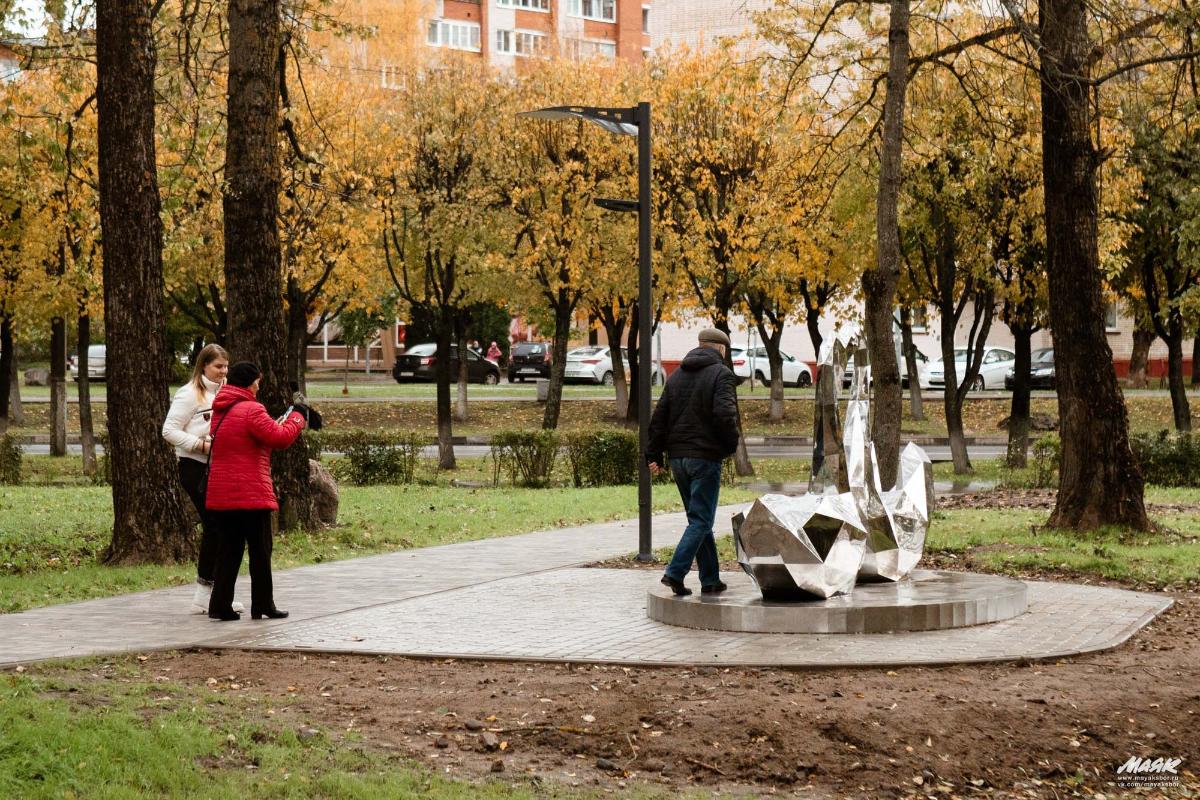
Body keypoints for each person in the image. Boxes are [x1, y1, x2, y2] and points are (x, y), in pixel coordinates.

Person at [204, 361, 308, 621]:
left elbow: (250, 436)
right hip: (251, 494)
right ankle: (262, 604)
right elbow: (280, 438)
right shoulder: (252, 408)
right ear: (251, 382)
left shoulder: (221, 409)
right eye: (258, 382)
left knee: (228, 551)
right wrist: (298, 418)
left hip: (223, 494)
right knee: (261, 551)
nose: (259, 386)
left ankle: (219, 605)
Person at [645, 328, 740, 596]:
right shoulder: (722, 375)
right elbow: (725, 416)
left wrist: (654, 455)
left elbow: (659, 418)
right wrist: (730, 446)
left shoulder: (676, 376)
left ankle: (710, 579)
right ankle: (675, 572)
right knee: (701, 520)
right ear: (721, 349)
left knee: (698, 518)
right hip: (705, 458)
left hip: (678, 460)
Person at [161, 343, 245, 615]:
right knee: (216, 526)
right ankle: (206, 592)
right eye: (218, 367)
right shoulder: (189, 394)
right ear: (203, 366)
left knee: (222, 528)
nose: (223, 372)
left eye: (226, 366)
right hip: (195, 468)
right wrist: (199, 445)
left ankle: (217, 592)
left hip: (219, 467)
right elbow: (169, 430)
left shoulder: (227, 392)